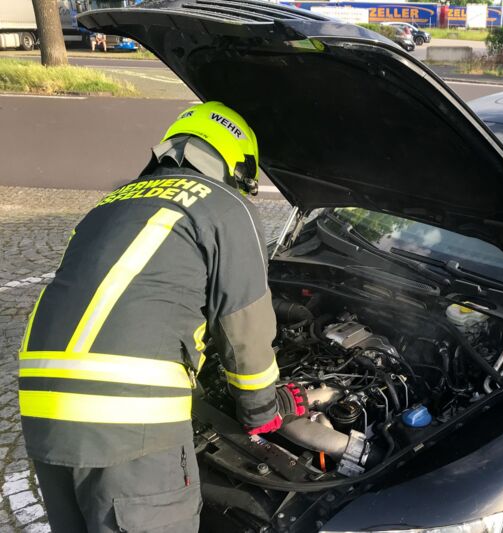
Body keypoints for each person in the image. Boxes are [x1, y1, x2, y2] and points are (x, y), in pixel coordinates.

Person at [18, 101, 306, 533]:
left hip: (42, 410)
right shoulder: (227, 204)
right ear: (237, 165)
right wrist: (262, 409)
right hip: (126, 417)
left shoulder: (111, 203)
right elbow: (244, 328)